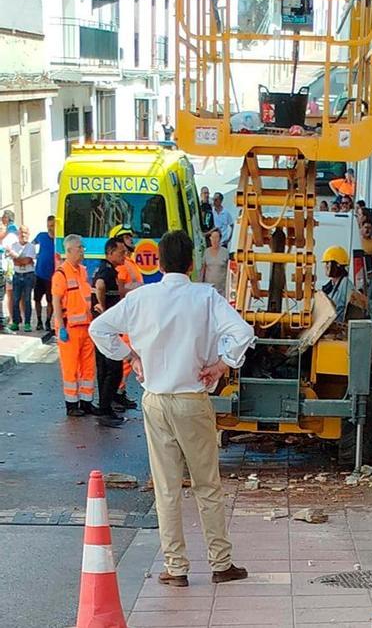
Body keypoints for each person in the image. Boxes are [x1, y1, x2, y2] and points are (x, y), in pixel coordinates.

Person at [90, 230, 253, 588]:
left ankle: (175, 567)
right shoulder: (205, 297)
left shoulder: (141, 298)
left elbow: (99, 328)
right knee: (207, 484)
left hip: (155, 401)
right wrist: (222, 365)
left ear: (159, 263)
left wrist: (130, 356)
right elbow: (242, 332)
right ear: (193, 264)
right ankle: (220, 562)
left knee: (166, 486)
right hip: (192, 400)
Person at [53, 234, 97, 417]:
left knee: (88, 366)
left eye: (82, 247)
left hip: (86, 326)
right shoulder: (61, 274)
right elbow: (56, 301)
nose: (82, 250)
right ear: (69, 250)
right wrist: (61, 327)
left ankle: (86, 402)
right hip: (70, 329)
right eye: (79, 248)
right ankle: (71, 405)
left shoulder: (83, 271)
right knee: (71, 368)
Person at [88, 238, 128, 427]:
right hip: (105, 329)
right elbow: (101, 286)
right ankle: (105, 409)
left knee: (106, 369)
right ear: (110, 253)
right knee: (113, 369)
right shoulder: (106, 271)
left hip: (102, 328)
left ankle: (106, 407)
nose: (124, 255)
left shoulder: (105, 268)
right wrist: (104, 310)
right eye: (121, 252)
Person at [111, 226, 143, 410]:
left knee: (128, 355)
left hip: (132, 314)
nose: (131, 240)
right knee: (126, 355)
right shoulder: (123, 265)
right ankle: (117, 392)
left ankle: (120, 392)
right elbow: (121, 289)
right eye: (127, 237)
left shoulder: (130, 262)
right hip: (126, 315)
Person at [8, 226, 36, 332]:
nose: (23, 235)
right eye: (21, 233)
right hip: (17, 275)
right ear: (18, 234)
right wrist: (21, 260)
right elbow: (16, 262)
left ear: (28, 234)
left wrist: (17, 258)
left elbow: (27, 261)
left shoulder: (31, 247)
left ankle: (27, 323)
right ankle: (16, 322)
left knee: (27, 300)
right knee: (15, 300)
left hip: (28, 275)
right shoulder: (14, 245)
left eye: (25, 233)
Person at [33, 215, 57, 332]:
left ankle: (48, 321)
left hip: (52, 276)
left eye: (52, 226)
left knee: (50, 301)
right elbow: (31, 245)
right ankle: (38, 321)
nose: (50, 228)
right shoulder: (41, 236)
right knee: (37, 299)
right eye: (48, 226)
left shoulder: (59, 240)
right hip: (39, 274)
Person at [321, 246, 351, 321]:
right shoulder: (331, 285)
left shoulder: (346, 285)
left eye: (328, 263)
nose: (326, 266)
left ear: (337, 265)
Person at [199, 230, 228, 298]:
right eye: (213, 237)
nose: (214, 240)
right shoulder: (206, 252)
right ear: (210, 239)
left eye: (216, 237)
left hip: (222, 289)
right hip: (208, 288)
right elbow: (203, 269)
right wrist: (200, 284)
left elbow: (230, 270)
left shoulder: (225, 252)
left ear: (220, 239)